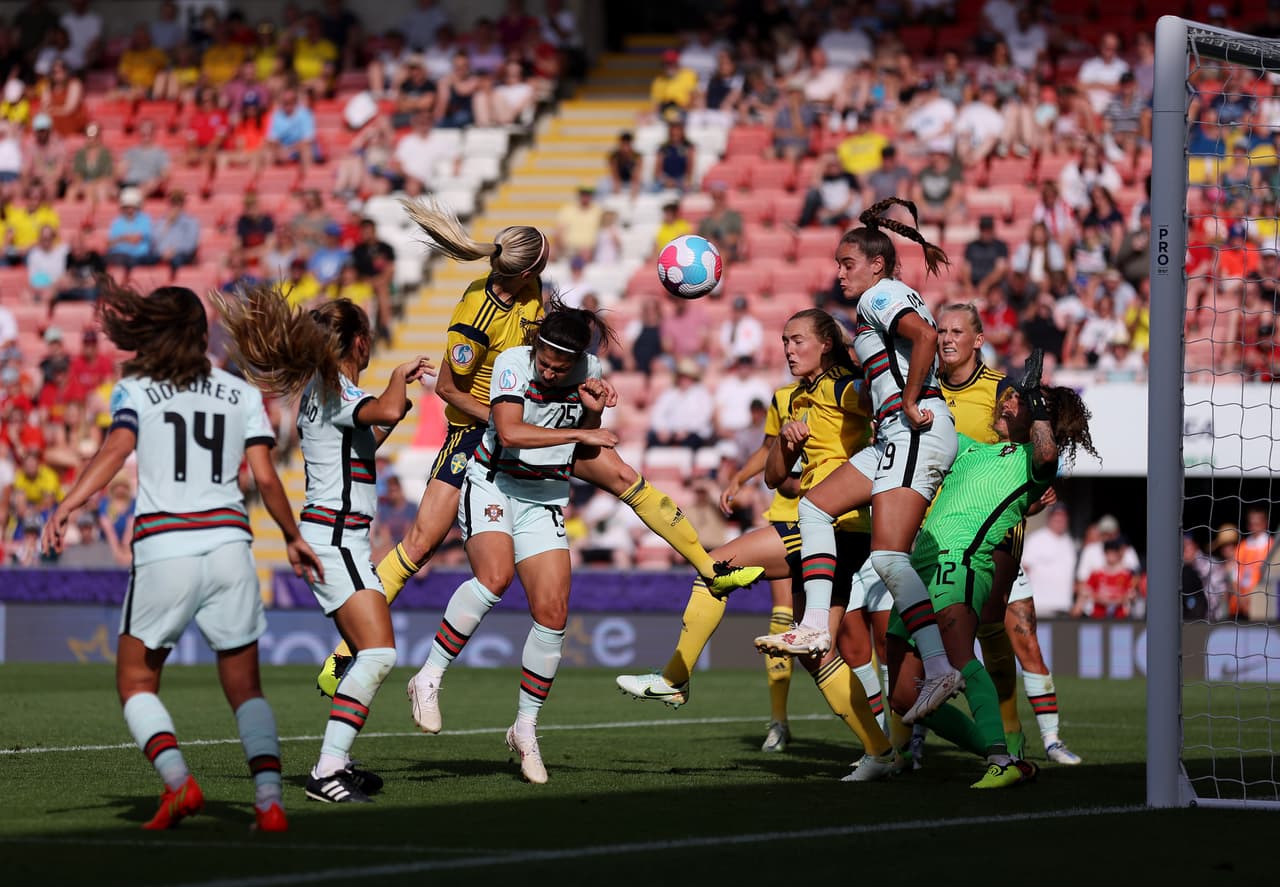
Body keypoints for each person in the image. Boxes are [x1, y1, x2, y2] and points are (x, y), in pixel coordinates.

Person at [315, 198, 762, 697]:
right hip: (478, 432)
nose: (551, 253)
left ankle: (711, 568)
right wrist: (505, 418)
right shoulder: (474, 319)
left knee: (622, 476)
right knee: (419, 545)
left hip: (539, 417)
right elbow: (446, 388)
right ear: (529, 266)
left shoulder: (528, 287)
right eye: (544, 251)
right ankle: (342, 656)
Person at [39, 280, 322, 831]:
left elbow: (116, 450)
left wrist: (68, 504)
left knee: (136, 683)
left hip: (166, 548)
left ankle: (179, 784)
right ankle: (268, 802)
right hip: (229, 547)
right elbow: (265, 477)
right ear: (201, 333)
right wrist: (291, 536)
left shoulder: (138, 388)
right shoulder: (240, 392)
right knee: (246, 690)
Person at [618, 309, 902, 780]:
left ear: (825, 345)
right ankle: (880, 752)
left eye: (797, 340)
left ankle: (673, 679)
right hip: (827, 531)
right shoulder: (797, 398)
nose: (788, 349)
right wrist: (787, 445)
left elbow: (876, 397)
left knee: (715, 567)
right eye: (784, 340)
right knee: (815, 653)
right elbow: (774, 477)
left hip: (838, 528)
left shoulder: (842, 388)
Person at [215, 286, 435, 803]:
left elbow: (362, 444)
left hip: (334, 537)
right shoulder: (337, 391)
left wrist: (393, 403)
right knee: (379, 653)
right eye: (370, 338)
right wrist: (400, 379)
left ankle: (338, 760)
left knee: (366, 651)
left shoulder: (324, 391)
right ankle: (327, 769)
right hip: (337, 539)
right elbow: (381, 410)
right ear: (358, 342)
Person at [754, 198, 962, 729]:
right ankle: (815, 627)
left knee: (890, 558)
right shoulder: (878, 303)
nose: (839, 272)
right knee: (816, 507)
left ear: (876, 264)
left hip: (913, 428)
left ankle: (937, 666)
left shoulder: (881, 294)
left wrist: (912, 398)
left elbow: (925, 336)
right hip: (897, 433)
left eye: (847, 263)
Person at [407, 298, 618, 783]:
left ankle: (525, 729)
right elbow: (509, 430)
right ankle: (429, 675)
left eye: (559, 367)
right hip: (493, 484)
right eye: (544, 361)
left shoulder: (591, 370)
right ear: (536, 346)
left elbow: (581, 430)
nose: (548, 371)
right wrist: (582, 440)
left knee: (553, 613)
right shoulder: (511, 363)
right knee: (494, 578)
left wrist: (590, 419)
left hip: (543, 496)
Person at [885, 350, 1097, 788]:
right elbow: (931, 437)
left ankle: (1000, 759)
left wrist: (1035, 404)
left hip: (959, 564)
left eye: (1013, 402)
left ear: (1036, 417)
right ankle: (1000, 754)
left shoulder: (1031, 464)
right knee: (903, 694)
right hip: (915, 568)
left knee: (960, 661)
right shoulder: (975, 450)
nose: (1004, 403)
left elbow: (1045, 456)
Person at [934, 303, 1083, 765]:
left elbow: (1034, 458)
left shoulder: (1003, 390)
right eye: (939, 330)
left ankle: (1028, 742)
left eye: (956, 330)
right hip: (934, 525)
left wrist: (1031, 495)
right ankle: (912, 735)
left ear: (978, 339)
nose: (945, 338)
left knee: (1006, 633)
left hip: (993, 531)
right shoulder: (923, 389)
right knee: (927, 639)